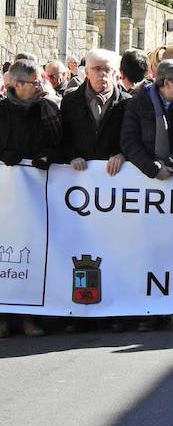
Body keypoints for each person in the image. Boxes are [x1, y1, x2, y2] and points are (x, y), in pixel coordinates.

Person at [0, 59, 63, 339]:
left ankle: (28, 316)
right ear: (17, 85)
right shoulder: (2, 110)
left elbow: (60, 141)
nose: (41, 86)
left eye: (41, 81)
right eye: (35, 82)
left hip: (36, 194)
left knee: (32, 253)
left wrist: (48, 155)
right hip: (6, 195)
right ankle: (3, 317)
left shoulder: (47, 109)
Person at [120, 59, 173, 181]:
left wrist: (171, 162)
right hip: (143, 181)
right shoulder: (138, 103)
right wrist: (153, 168)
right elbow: (129, 141)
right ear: (167, 83)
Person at [59, 49, 130, 177]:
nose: (102, 74)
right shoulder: (70, 102)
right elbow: (63, 136)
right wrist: (72, 156)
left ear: (114, 72)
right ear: (86, 72)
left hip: (116, 177)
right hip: (79, 177)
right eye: (97, 69)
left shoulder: (128, 103)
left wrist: (122, 154)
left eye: (107, 69)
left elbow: (133, 138)